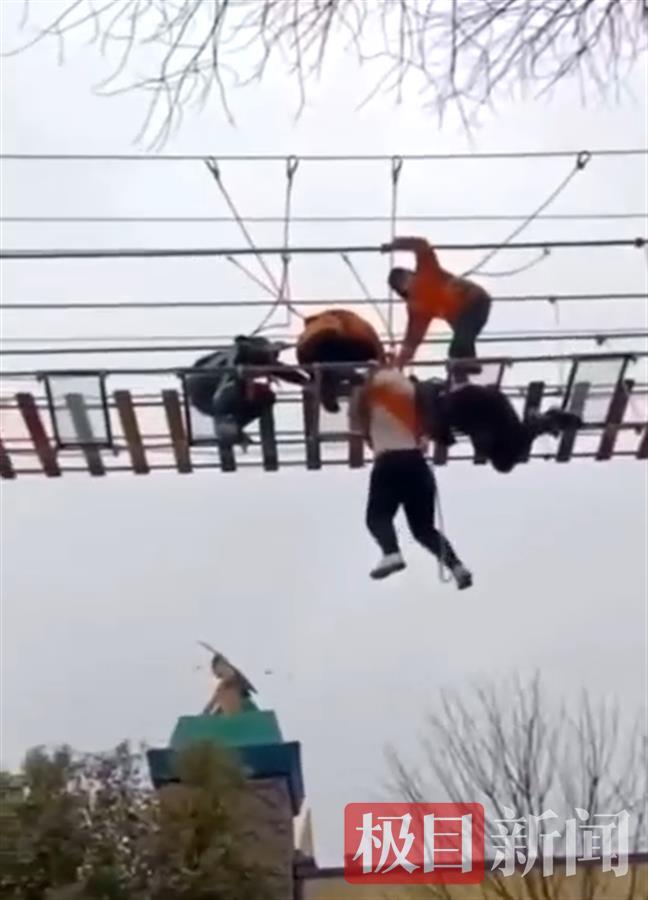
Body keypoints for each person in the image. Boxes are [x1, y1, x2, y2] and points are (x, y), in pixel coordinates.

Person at [350, 364, 472, 586]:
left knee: (377, 517)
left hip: (389, 463)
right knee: (424, 529)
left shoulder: (368, 396)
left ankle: (391, 552)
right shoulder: (414, 395)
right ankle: (457, 566)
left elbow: (360, 425)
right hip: (417, 465)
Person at [416, 378, 582, 472]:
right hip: (486, 408)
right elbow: (441, 431)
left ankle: (543, 421)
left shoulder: (424, 404)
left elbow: (439, 427)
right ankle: (543, 421)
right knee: (505, 457)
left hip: (481, 408)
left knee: (505, 458)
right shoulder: (427, 402)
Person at [380, 236, 492, 372]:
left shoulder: (426, 270)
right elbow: (411, 342)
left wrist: (394, 245)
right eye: (402, 283)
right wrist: (397, 366)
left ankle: (467, 365)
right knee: (460, 345)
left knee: (458, 347)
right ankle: (465, 370)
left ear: (411, 273)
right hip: (461, 318)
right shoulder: (417, 309)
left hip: (475, 300)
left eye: (405, 277)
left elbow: (420, 244)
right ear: (402, 291)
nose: (407, 282)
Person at [185, 335, 306, 446]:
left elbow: (278, 369)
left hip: (203, 397)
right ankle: (229, 424)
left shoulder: (230, 354)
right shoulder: (246, 352)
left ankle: (230, 425)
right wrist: (273, 349)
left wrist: (303, 380)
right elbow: (273, 365)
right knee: (264, 397)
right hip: (214, 392)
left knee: (257, 395)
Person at [296, 309, 385, 412]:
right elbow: (375, 341)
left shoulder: (315, 327)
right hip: (351, 343)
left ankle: (334, 377)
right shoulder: (354, 323)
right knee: (330, 359)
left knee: (326, 362)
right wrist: (383, 362)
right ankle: (339, 377)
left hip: (321, 349)